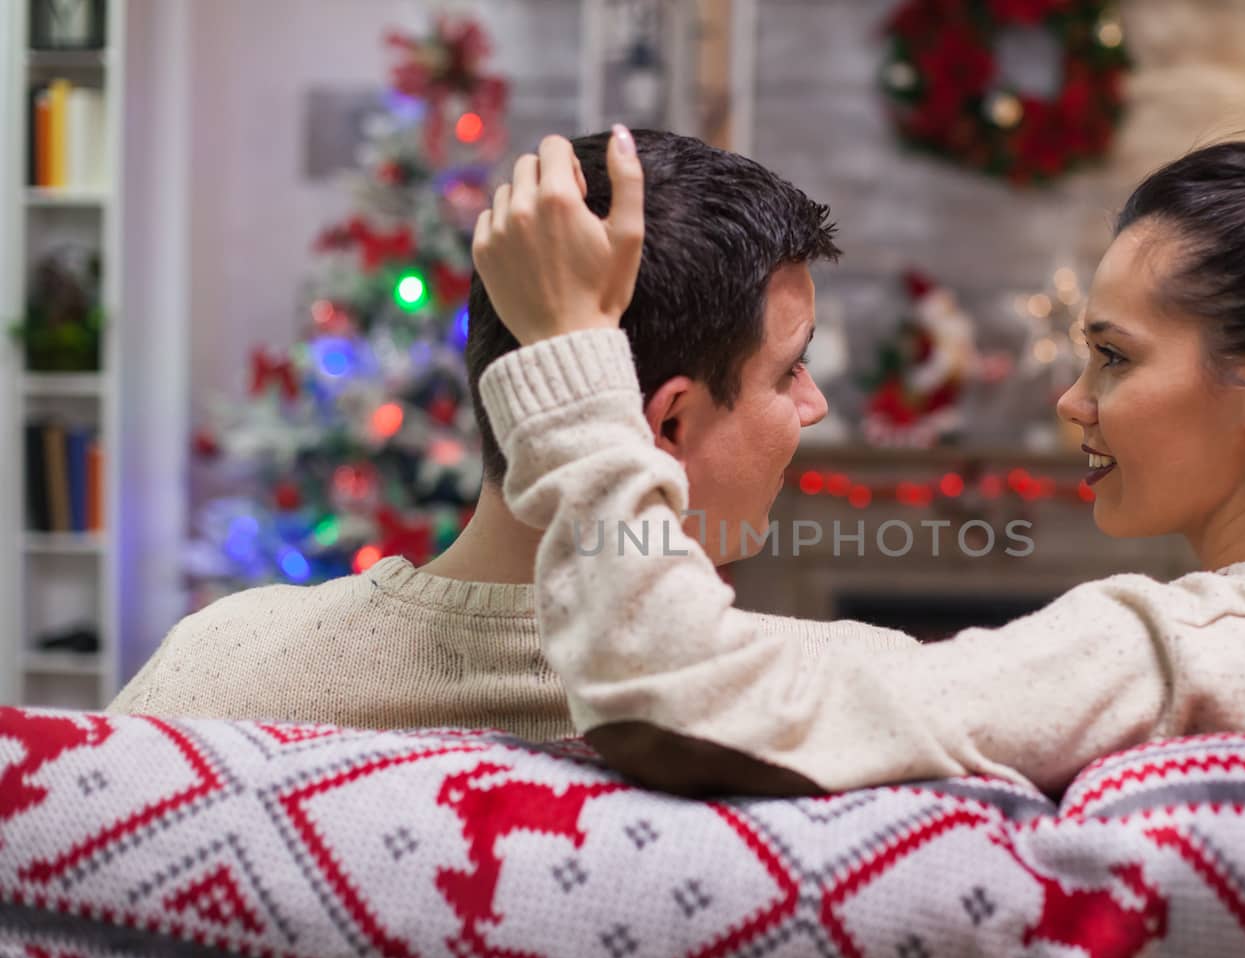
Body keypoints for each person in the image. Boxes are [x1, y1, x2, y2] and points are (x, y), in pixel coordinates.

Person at [470, 130, 1245, 796]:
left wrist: (573, 354)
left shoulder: (1184, 653)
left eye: (1113, 356)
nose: (1072, 401)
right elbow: (893, 683)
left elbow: (665, 693)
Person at [108, 129, 911, 734]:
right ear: (665, 422)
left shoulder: (211, 677)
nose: (815, 406)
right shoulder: (829, 705)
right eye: (787, 372)